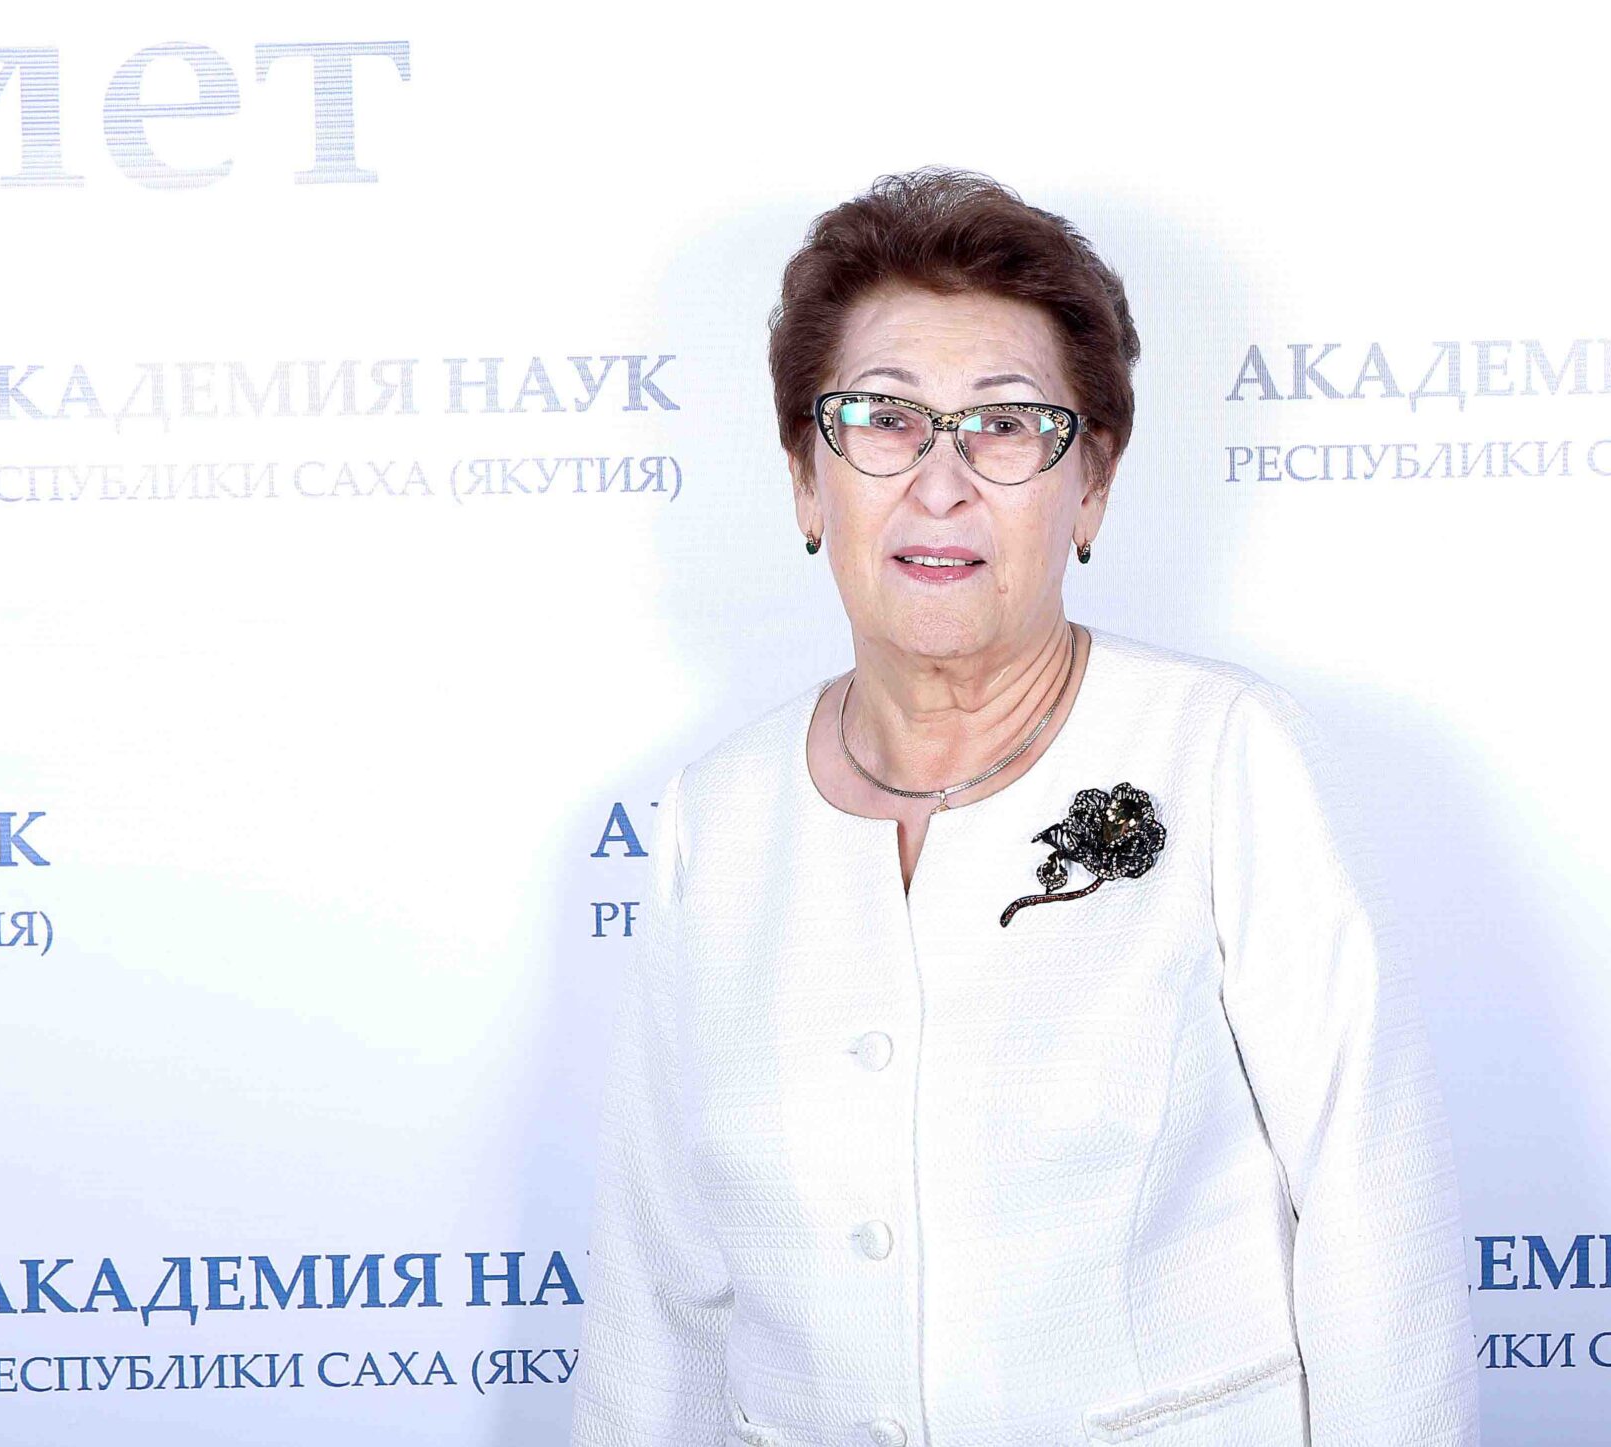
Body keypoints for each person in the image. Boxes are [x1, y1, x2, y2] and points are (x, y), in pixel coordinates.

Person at [569, 167, 1477, 1447]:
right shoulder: (713, 816)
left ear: (1090, 482)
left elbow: (1377, 1230)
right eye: (883, 418)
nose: (939, 482)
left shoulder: (1222, 754)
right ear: (805, 479)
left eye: (1004, 425)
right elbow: (657, 1290)